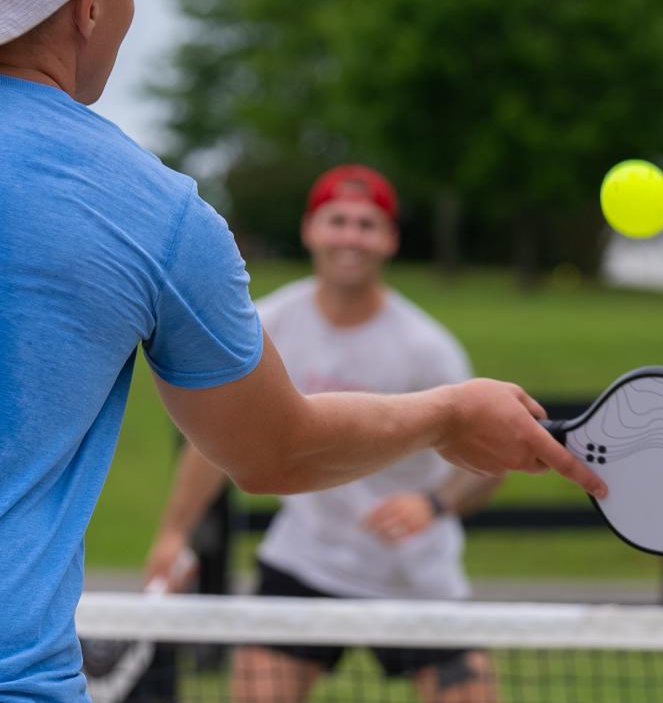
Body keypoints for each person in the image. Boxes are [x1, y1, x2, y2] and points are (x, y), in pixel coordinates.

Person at [0, 0, 604, 699]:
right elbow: (272, 450)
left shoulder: (413, 334)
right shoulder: (153, 217)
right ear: (91, 6)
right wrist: (445, 415)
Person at [144, 166, 503, 702]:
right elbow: (213, 442)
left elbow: (489, 465)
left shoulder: (429, 349)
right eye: (338, 221)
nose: (351, 236)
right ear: (311, 229)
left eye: (367, 224)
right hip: (303, 565)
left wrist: (433, 504)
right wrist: (174, 533)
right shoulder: (266, 326)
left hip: (415, 578)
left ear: (390, 240)